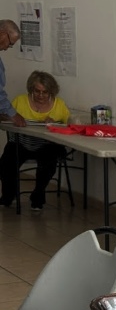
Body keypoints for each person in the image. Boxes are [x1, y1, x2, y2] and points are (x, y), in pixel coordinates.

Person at [0, 70, 71, 210]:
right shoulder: (20, 101)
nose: (40, 96)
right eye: (37, 91)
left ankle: (38, 196)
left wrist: (54, 124)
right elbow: (3, 116)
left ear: (51, 91)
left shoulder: (59, 105)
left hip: (45, 145)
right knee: (6, 163)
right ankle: (8, 196)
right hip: (21, 143)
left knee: (49, 162)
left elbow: (68, 127)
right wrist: (11, 118)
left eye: (45, 92)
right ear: (31, 89)